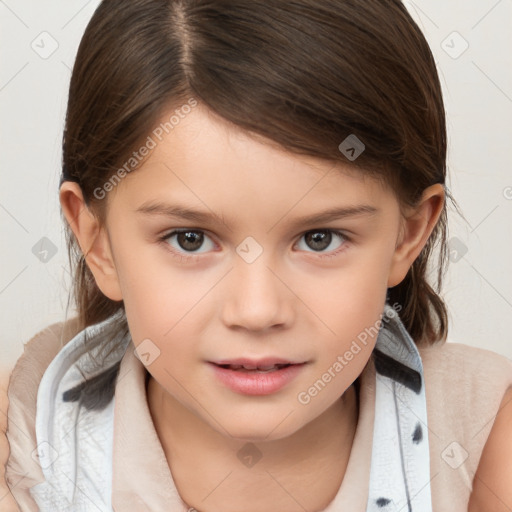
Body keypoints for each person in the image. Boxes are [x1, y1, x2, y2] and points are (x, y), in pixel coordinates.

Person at [2, 0, 512, 511]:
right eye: (190, 239)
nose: (257, 310)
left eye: (319, 239)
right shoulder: (25, 435)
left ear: (409, 233)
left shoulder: (483, 437)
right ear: (100, 243)